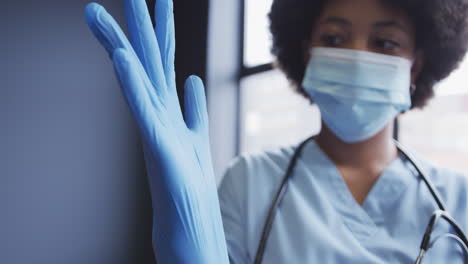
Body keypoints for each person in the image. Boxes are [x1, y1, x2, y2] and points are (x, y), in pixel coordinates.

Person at [85, 0, 467, 263]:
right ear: (306, 51)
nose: (357, 56)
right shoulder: (250, 181)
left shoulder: (459, 200)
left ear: (416, 65)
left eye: (385, 42)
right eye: (334, 38)